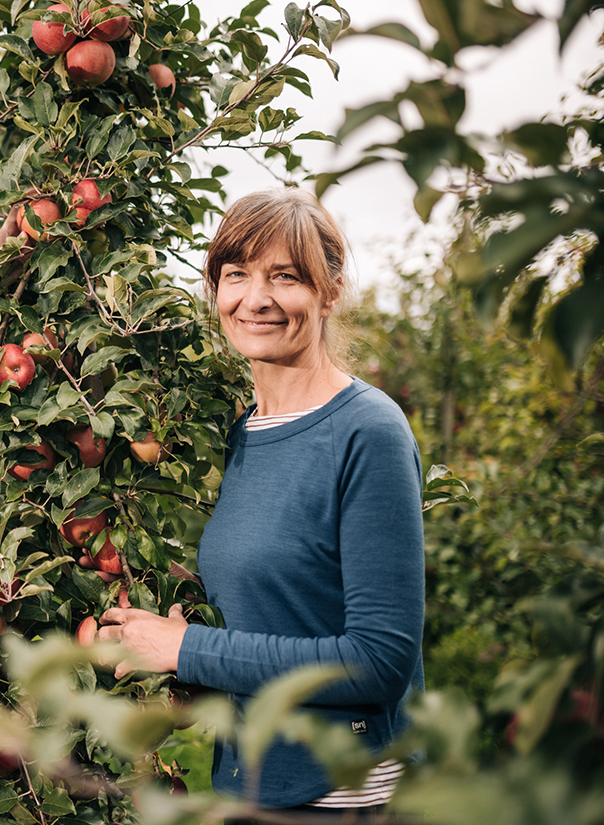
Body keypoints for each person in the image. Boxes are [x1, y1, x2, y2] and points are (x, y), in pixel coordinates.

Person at [97, 188, 425, 815]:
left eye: (285, 277)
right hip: (252, 782)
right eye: (237, 275)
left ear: (329, 292)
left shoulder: (367, 431)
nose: (256, 298)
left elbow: (378, 662)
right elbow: (278, 597)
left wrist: (186, 649)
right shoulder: (244, 430)